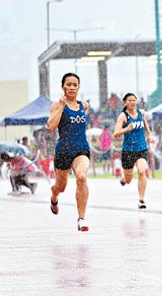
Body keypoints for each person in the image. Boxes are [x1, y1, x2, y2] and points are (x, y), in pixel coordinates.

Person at [47, 72, 91, 232]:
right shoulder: (57, 105)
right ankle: (54, 196)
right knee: (61, 186)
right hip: (63, 151)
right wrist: (62, 106)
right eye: (69, 85)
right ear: (63, 87)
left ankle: (81, 219)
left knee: (81, 177)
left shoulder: (84, 105)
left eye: (75, 85)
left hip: (81, 149)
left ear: (78, 87)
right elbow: (50, 127)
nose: (72, 87)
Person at [113, 93, 154, 209]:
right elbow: (116, 134)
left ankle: (141, 200)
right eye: (129, 101)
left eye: (134, 100)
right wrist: (127, 128)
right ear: (125, 103)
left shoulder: (141, 113)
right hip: (128, 151)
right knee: (128, 179)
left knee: (142, 171)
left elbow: (145, 123)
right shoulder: (123, 116)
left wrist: (150, 135)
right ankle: (123, 178)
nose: (132, 102)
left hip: (141, 148)